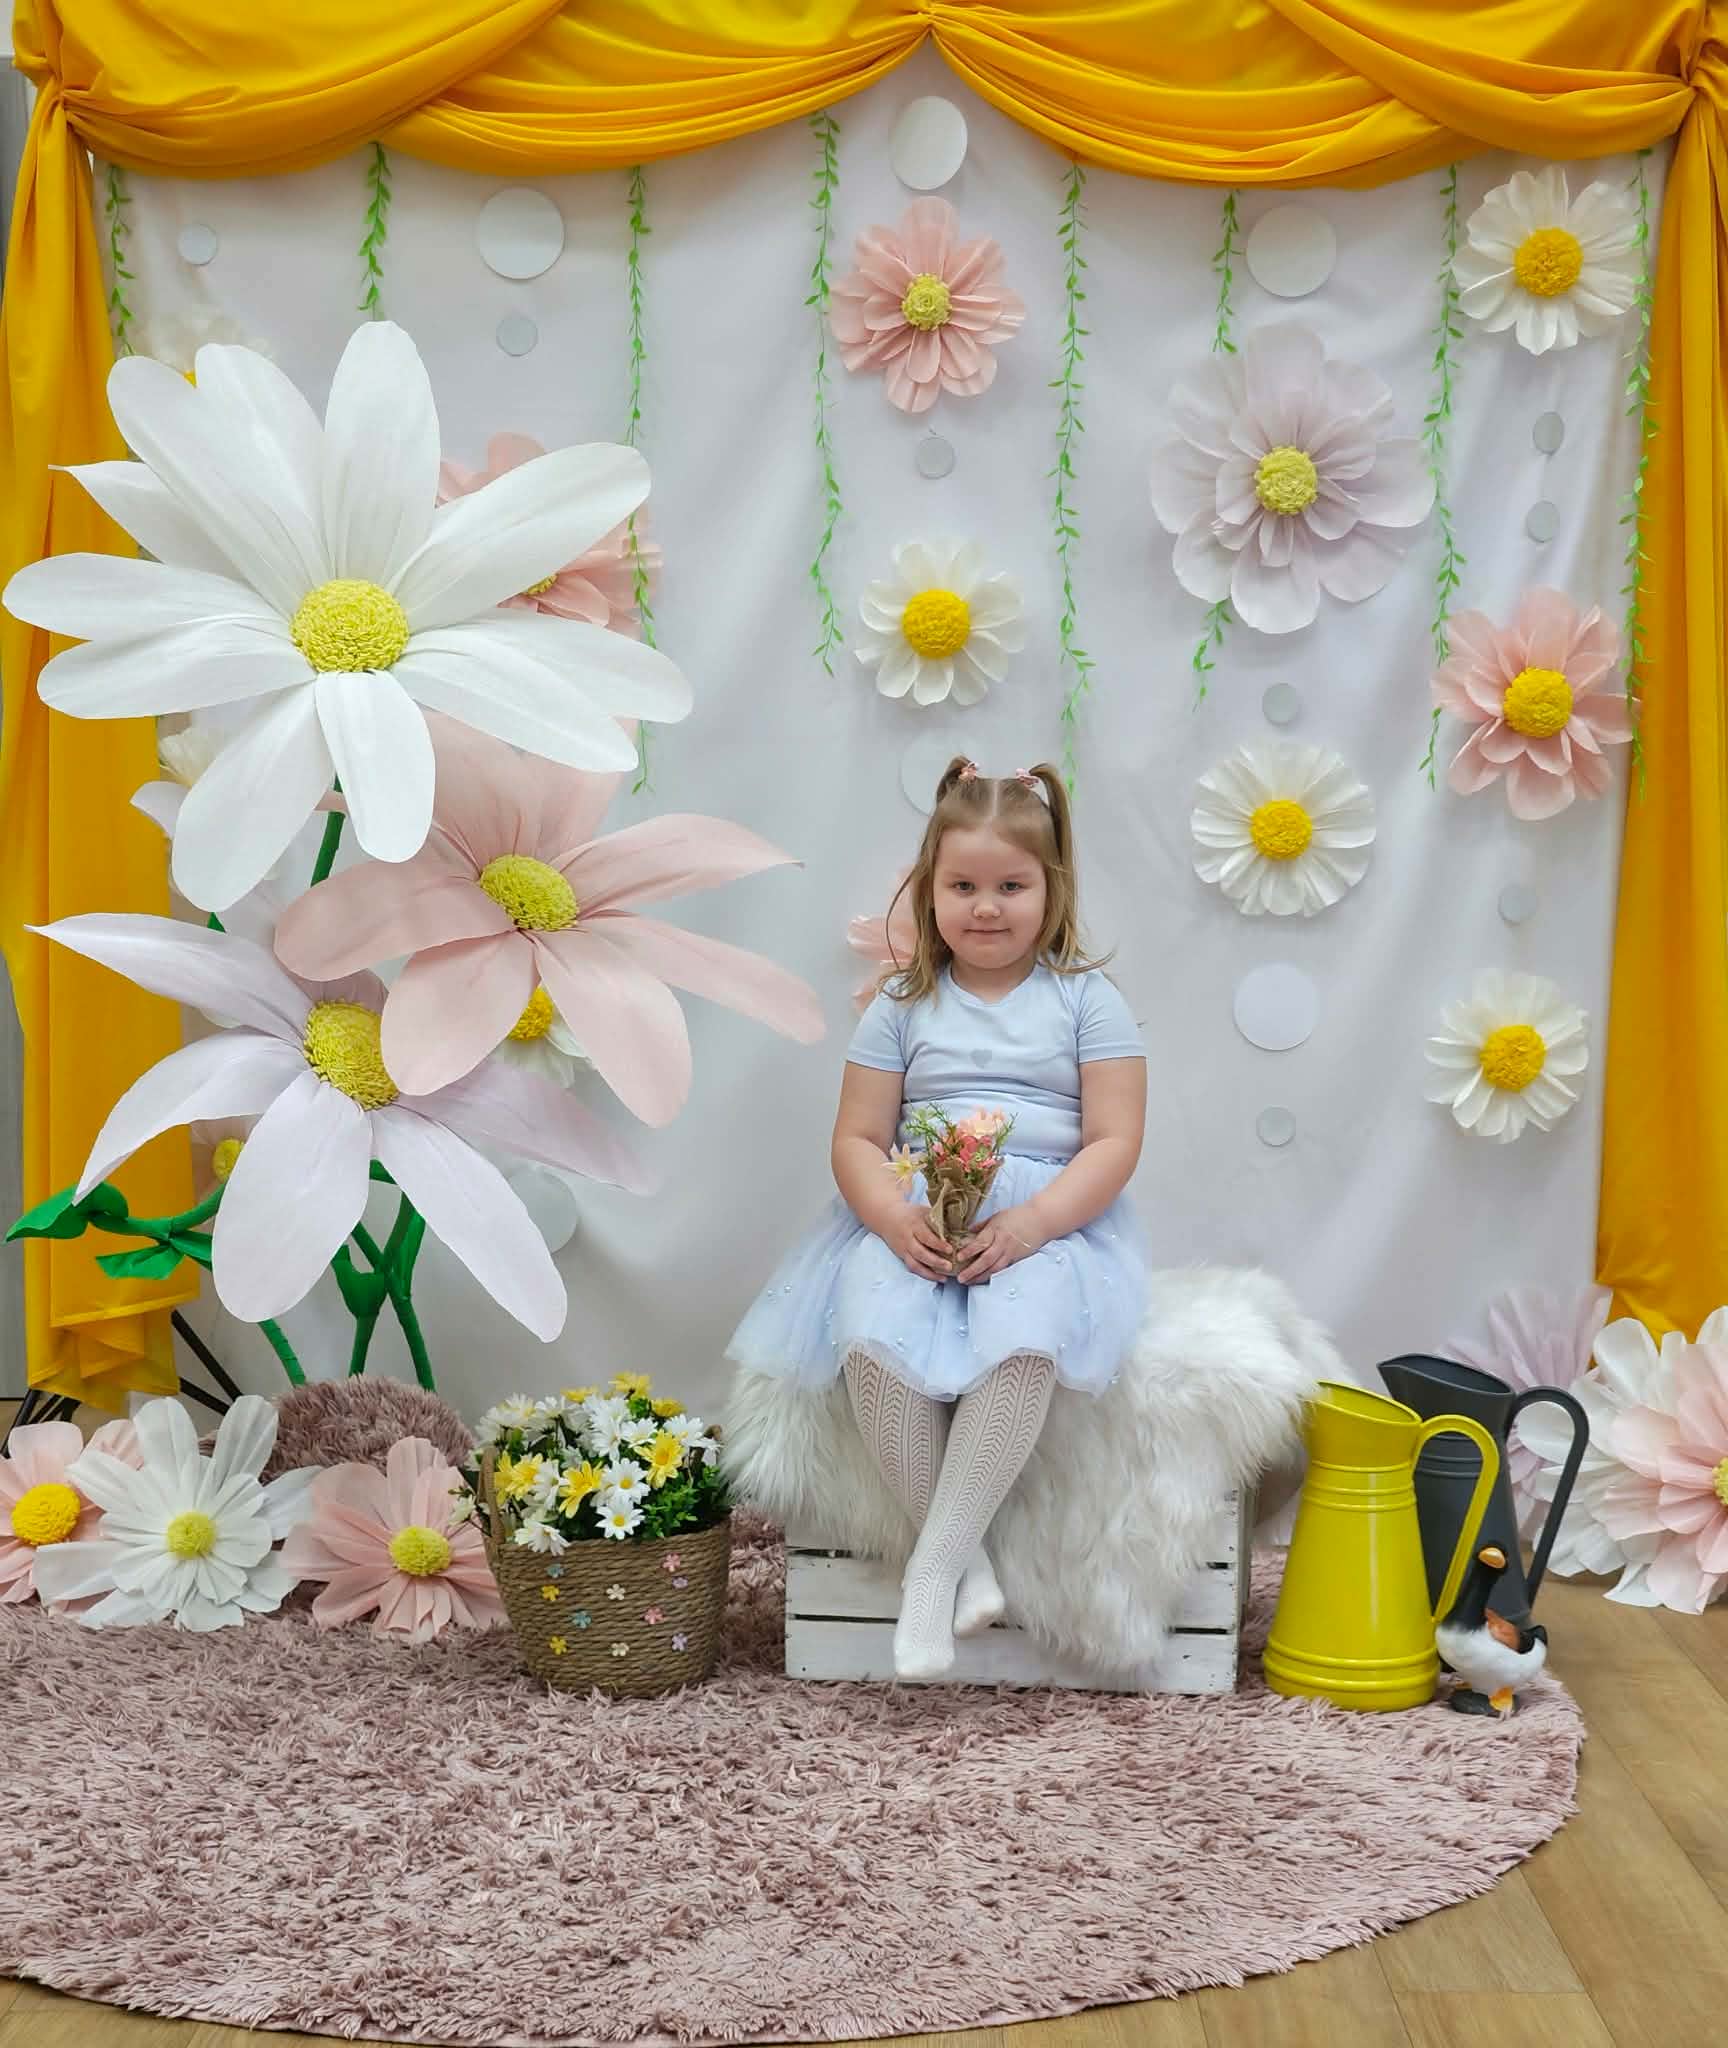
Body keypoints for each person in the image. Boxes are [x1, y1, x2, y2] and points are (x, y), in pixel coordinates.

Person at [727, 757, 1148, 1679]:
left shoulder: (1087, 1001)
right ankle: (968, 1562)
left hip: (1044, 1219)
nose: (985, 907)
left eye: (1011, 886)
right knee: (870, 1326)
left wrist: (1034, 1224)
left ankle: (929, 1573)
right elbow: (857, 1137)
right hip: (917, 1208)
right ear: (929, 891)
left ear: (1052, 888)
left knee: (1025, 1335)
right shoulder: (902, 1004)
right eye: (962, 886)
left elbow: (1114, 1141)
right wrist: (888, 1217)